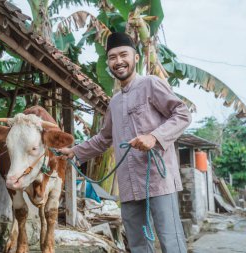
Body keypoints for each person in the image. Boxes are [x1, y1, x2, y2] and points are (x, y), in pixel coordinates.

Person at [59, 32, 191, 253]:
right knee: (138, 246)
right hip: (129, 186)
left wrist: (154, 137)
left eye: (123, 55)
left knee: (172, 243)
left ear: (135, 57)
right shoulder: (115, 102)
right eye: (112, 57)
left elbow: (182, 114)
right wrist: (74, 151)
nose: (118, 61)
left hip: (158, 181)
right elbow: (103, 139)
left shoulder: (151, 84)